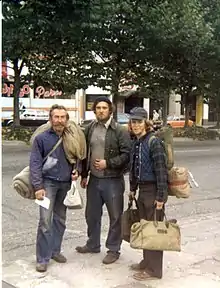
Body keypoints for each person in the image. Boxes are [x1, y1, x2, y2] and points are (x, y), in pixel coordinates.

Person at [75, 96, 131, 264]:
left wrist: (109, 163)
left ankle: (113, 249)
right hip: (94, 180)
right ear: (95, 111)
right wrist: (84, 174)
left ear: (110, 110)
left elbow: (127, 155)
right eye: (98, 108)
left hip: (112, 180)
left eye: (104, 108)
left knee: (115, 217)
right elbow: (84, 153)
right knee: (91, 215)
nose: (101, 111)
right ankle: (93, 244)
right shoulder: (90, 127)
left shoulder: (120, 130)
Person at [30, 104, 81, 273]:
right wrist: (38, 186)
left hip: (65, 184)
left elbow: (78, 157)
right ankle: (42, 258)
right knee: (45, 221)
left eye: (62, 117)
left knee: (60, 220)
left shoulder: (72, 137)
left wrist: (77, 171)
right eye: (56, 117)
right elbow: (35, 164)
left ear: (67, 119)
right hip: (48, 185)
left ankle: (55, 251)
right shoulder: (41, 139)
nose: (59, 120)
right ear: (50, 119)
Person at [128, 107, 168, 281]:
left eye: (139, 121)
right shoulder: (137, 142)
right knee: (145, 228)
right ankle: (146, 261)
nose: (135, 125)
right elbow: (135, 168)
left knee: (154, 230)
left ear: (146, 122)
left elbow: (161, 171)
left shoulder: (154, 142)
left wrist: (161, 197)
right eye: (133, 122)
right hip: (142, 191)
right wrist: (132, 189)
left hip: (153, 191)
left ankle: (155, 270)